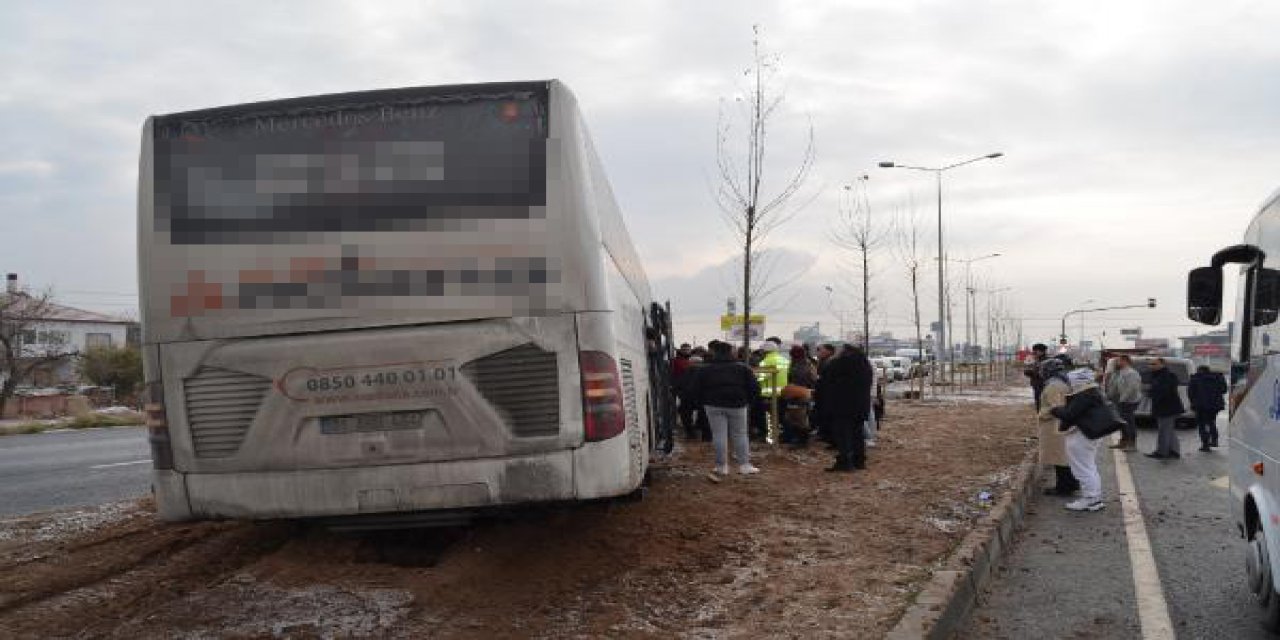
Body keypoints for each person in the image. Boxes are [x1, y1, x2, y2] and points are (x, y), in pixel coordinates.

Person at [1051, 368, 1125, 512]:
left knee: (1083, 468)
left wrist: (1055, 409)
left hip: (1083, 436)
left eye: (1070, 381)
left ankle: (1090, 499)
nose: (1069, 384)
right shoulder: (1093, 391)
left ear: (1078, 381)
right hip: (1088, 435)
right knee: (1088, 466)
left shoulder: (1085, 394)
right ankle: (1094, 498)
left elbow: (1069, 414)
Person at [686, 340, 762, 475]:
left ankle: (722, 467)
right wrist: (748, 401)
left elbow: (693, 389)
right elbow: (755, 388)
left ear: (714, 352)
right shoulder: (743, 368)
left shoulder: (704, 369)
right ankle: (744, 465)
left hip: (713, 405)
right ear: (731, 352)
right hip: (738, 404)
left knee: (718, 435)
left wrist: (702, 402)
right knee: (740, 434)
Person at [814, 344, 874, 472]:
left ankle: (845, 462)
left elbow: (827, 378)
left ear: (845, 351)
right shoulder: (864, 364)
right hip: (861, 405)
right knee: (857, 433)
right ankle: (859, 461)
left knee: (843, 434)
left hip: (842, 406)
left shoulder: (841, 363)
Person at [1037, 356, 1080, 495]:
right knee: (1061, 456)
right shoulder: (1061, 382)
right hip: (1059, 425)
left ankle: (1065, 486)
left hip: (1054, 425)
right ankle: (1069, 483)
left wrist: (1042, 413)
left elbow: (1057, 407)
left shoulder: (1054, 386)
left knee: (1059, 456)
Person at [1145, 358, 1185, 460]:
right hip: (1167, 407)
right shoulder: (1159, 375)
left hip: (1167, 408)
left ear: (1162, 364)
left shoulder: (1166, 376)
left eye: (1154, 364)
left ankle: (1161, 452)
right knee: (1169, 430)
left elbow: (1163, 391)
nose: (1151, 366)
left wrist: (1151, 394)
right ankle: (1174, 451)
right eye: (1150, 364)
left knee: (1163, 430)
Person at [751, 341, 790, 441]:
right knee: (780, 416)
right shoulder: (784, 360)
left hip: (768, 394)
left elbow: (760, 378)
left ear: (765, 351)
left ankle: (769, 438)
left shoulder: (766, 361)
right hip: (783, 393)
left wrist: (753, 376)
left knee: (768, 417)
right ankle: (781, 436)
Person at [1104, 355, 1143, 451]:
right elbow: (1114, 386)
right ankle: (1124, 441)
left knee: (1129, 422)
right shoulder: (1119, 372)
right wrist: (1109, 397)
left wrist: (1123, 399)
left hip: (1129, 401)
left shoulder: (1131, 373)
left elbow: (1131, 388)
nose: (1117, 363)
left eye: (1119, 361)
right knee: (1122, 422)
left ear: (1125, 361)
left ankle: (1132, 444)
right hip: (1121, 400)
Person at [781, 345, 818, 446]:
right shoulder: (801, 363)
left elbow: (809, 379)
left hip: (800, 392)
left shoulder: (802, 365)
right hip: (799, 392)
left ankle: (802, 441)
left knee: (799, 416)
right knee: (793, 416)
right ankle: (798, 438)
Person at [1188, 365, 1227, 452]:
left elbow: (1191, 393)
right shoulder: (1218, 377)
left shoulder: (1195, 378)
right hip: (1215, 406)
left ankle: (1205, 445)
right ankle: (1214, 440)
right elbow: (1224, 390)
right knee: (1211, 421)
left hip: (1201, 406)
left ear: (1199, 370)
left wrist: (1193, 403)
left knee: (1202, 425)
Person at [1024, 343, 1050, 410]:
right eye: (1034, 350)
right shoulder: (1034, 360)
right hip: (1036, 384)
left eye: (1036, 350)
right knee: (1038, 402)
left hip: (1044, 385)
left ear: (1042, 351)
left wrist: (1033, 373)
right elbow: (1029, 370)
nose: (1034, 352)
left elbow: (1045, 373)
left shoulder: (1047, 361)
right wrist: (1027, 371)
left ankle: (1044, 416)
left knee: (1045, 402)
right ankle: (1040, 415)